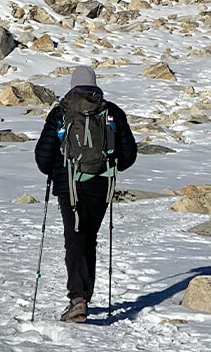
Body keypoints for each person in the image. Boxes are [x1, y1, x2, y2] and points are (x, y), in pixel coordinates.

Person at [34, 66, 137, 322]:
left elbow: (43, 156)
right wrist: (110, 166)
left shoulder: (61, 112)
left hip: (69, 185)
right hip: (101, 185)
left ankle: (77, 298)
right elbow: (129, 154)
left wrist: (53, 170)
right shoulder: (110, 112)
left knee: (75, 238)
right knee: (88, 237)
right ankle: (83, 297)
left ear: (72, 85)